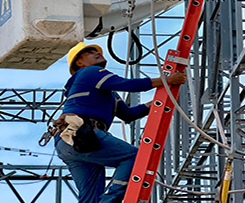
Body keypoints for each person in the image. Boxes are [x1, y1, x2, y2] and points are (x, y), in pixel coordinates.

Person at [53, 42, 187, 203]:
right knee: (135, 157)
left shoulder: (106, 93)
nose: (96, 53)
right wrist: (166, 80)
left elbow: (128, 115)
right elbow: (126, 84)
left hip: (68, 141)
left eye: (96, 50)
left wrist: (155, 104)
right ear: (79, 63)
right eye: (89, 52)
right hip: (81, 134)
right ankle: (111, 200)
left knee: (90, 197)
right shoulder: (90, 72)